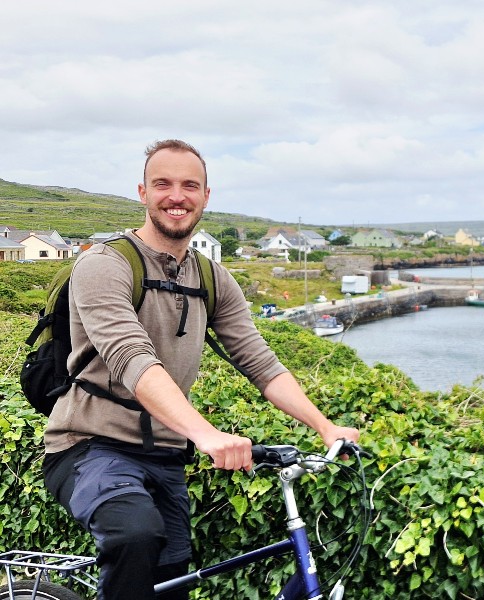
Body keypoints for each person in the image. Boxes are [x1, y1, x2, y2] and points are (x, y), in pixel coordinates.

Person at [42, 139, 359, 600]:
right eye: (162, 184)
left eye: (190, 185)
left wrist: (325, 426)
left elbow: (259, 361)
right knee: (135, 534)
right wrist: (206, 434)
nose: (177, 196)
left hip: (166, 455)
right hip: (90, 447)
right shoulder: (104, 264)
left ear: (206, 196)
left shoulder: (213, 279)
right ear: (142, 192)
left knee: (170, 579)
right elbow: (132, 358)